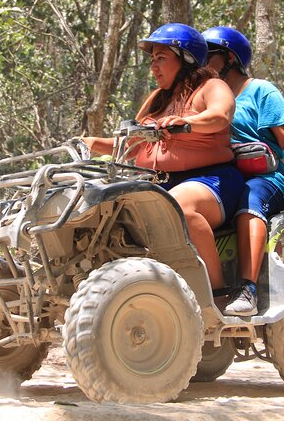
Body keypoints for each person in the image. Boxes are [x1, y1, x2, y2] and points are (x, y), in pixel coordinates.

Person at [82, 23, 244, 292]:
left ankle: (218, 292)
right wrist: (91, 143)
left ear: (186, 59)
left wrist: (187, 122)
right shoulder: (157, 100)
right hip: (157, 184)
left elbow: (220, 116)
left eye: (161, 58)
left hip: (211, 179)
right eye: (152, 60)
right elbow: (130, 144)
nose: (153, 67)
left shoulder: (212, 86)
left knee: (177, 207)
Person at [202, 26, 284, 316]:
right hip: (222, 180)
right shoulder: (205, 97)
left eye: (210, 55)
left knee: (250, 200)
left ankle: (248, 288)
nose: (202, 62)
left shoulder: (261, 91)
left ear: (231, 59)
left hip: (264, 179)